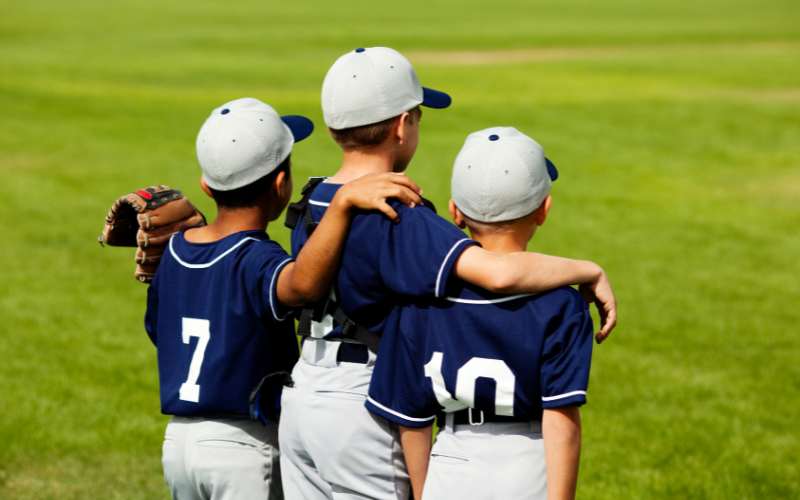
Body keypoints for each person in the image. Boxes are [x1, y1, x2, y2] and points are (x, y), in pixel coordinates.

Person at [278, 47, 616, 500]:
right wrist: (586, 270)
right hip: (362, 402)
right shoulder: (400, 215)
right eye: (417, 116)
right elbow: (495, 273)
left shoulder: (314, 201)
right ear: (402, 125)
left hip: (302, 396)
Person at [144, 96, 422, 499]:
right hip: (242, 448)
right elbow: (301, 285)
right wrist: (341, 204)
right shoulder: (257, 257)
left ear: (206, 186)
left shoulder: (174, 252)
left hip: (178, 447)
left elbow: (160, 331)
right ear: (281, 183)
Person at [368, 127, 593, 500]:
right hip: (528, 464)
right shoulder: (561, 304)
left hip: (453, 460)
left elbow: (412, 419)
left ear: (455, 212)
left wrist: (425, 492)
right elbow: (561, 420)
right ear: (543, 210)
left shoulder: (421, 300)